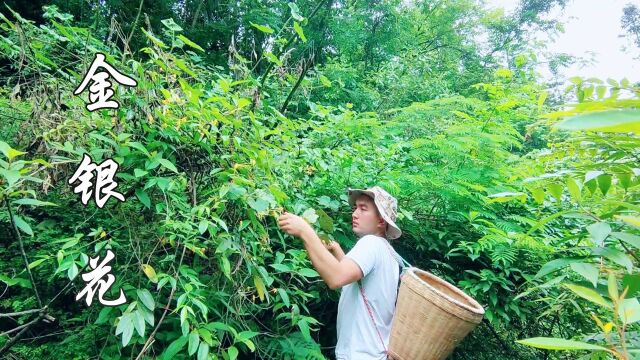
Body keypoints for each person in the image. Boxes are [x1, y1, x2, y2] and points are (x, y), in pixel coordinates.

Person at [277, 186, 403, 360]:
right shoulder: (389, 254)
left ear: (381, 221)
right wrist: (336, 250)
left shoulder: (371, 244)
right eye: (355, 208)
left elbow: (336, 278)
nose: (355, 214)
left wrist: (305, 231)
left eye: (363, 208)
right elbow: (357, 285)